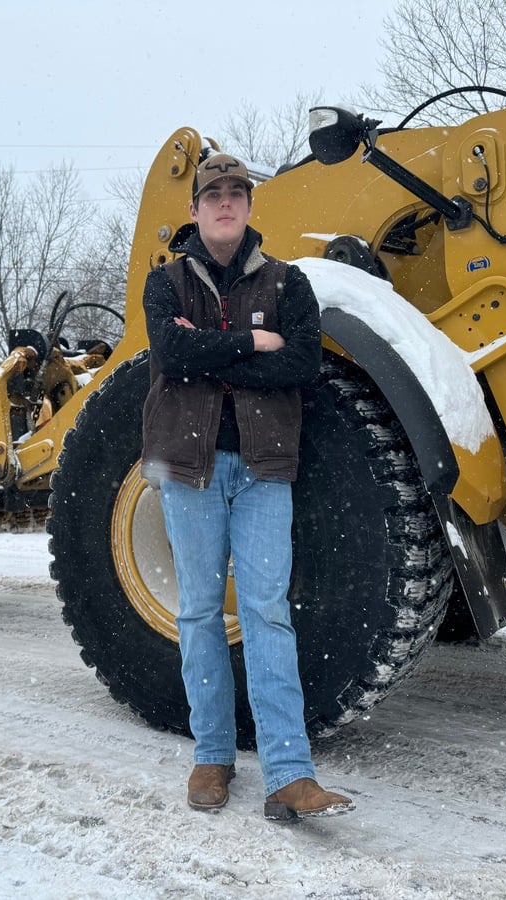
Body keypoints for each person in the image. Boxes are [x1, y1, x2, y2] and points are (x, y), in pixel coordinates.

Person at [141, 152, 354, 820]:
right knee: (201, 610)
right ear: (196, 208)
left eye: (237, 193)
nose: (225, 203)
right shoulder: (166, 284)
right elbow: (170, 357)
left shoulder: (288, 284)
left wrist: (218, 348)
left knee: (265, 611)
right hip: (187, 467)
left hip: (264, 467)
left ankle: (289, 773)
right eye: (213, 194)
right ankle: (212, 755)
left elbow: (303, 363)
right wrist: (252, 343)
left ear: (250, 206)